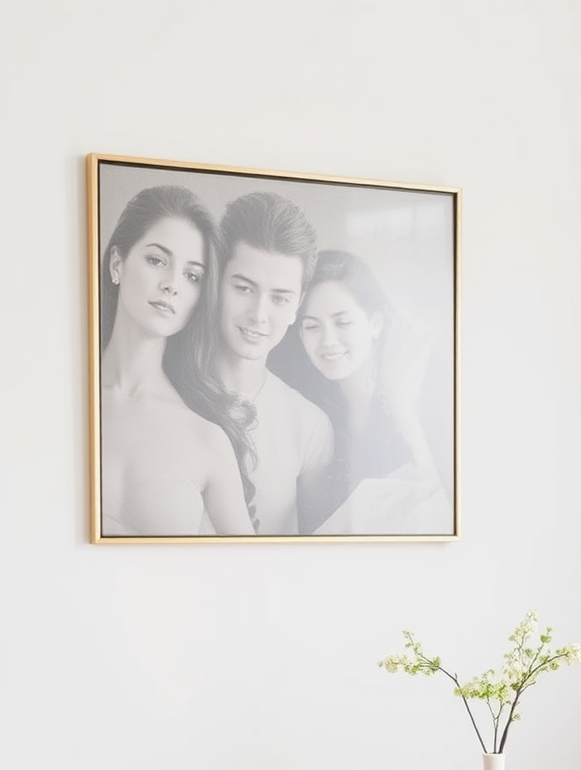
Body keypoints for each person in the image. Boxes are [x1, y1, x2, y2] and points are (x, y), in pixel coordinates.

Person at [99, 185, 256, 536]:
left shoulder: (207, 438)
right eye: (157, 260)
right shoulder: (54, 397)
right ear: (116, 263)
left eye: (192, 276)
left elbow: (253, 571)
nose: (172, 285)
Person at [268, 249, 452, 535]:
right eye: (312, 326)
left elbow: (442, 501)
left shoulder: (416, 388)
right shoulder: (310, 409)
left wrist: (403, 406)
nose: (327, 340)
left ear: (375, 323)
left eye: (343, 322)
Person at [213, 192, 335, 535]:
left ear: (298, 306)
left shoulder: (310, 426)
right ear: (217, 283)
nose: (259, 315)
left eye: (280, 297)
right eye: (244, 288)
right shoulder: (161, 391)